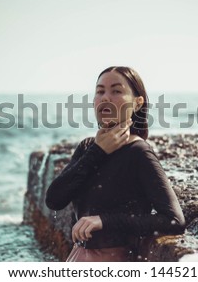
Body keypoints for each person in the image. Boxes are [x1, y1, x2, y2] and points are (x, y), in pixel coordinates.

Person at [45, 66, 185, 262]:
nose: (105, 97)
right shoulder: (87, 148)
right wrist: (98, 152)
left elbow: (173, 220)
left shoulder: (139, 152)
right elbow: (54, 199)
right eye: (100, 91)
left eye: (116, 91)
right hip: (78, 257)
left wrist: (104, 221)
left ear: (137, 103)